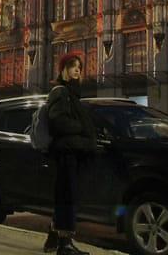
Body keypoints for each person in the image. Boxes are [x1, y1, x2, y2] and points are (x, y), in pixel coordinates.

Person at [42, 52, 96, 255]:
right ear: (64, 69)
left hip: (71, 151)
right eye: (73, 66)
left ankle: (53, 238)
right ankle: (65, 245)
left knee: (64, 196)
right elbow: (57, 121)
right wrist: (81, 128)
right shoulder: (61, 92)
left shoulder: (72, 93)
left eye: (79, 68)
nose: (77, 71)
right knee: (67, 197)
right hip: (66, 152)